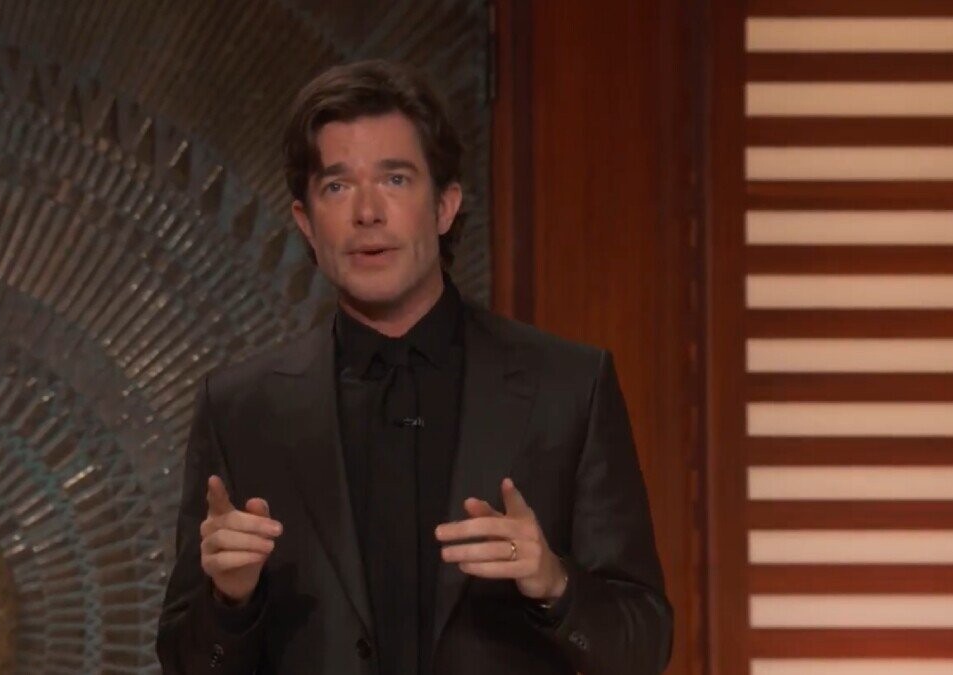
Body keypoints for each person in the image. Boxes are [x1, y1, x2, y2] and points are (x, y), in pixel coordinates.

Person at [156, 59, 672, 675]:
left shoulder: (569, 388)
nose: (367, 212)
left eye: (395, 179)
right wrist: (230, 603)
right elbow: (186, 663)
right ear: (306, 223)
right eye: (337, 187)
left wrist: (554, 584)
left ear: (445, 206)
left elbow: (643, 646)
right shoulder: (240, 409)